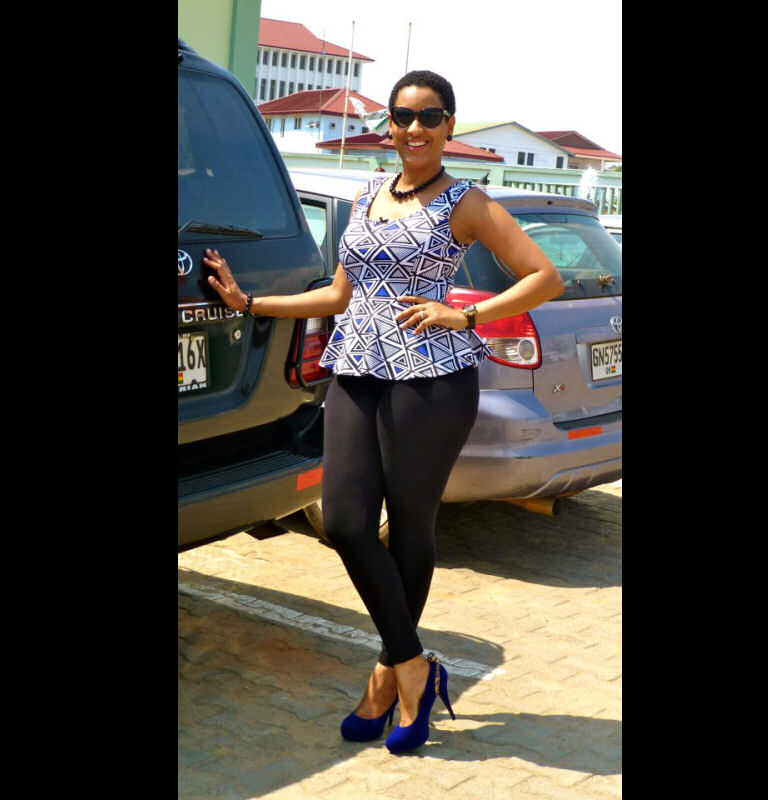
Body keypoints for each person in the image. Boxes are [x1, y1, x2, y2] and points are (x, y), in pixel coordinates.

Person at [202, 70, 563, 754]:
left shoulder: (466, 201)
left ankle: (384, 679)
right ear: (389, 125)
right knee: (343, 520)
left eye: (429, 116)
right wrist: (250, 303)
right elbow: (340, 296)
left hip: (431, 382)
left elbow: (543, 276)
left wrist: (466, 315)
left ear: (449, 125)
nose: (414, 128)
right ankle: (412, 666)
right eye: (402, 116)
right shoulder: (368, 193)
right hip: (357, 372)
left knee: (410, 528)